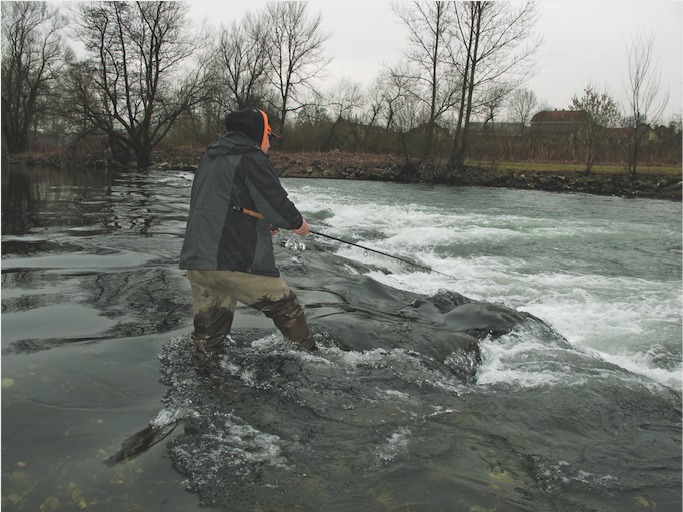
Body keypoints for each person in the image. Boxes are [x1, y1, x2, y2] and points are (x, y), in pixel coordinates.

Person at [179, 108, 316, 360]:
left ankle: (206, 374)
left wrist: (264, 224)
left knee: (208, 343)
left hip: (198, 262)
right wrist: (297, 223)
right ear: (257, 133)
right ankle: (312, 357)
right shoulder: (251, 157)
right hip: (231, 261)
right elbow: (275, 202)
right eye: (269, 136)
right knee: (285, 305)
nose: (270, 144)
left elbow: (223, 204)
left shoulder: (210, 158)